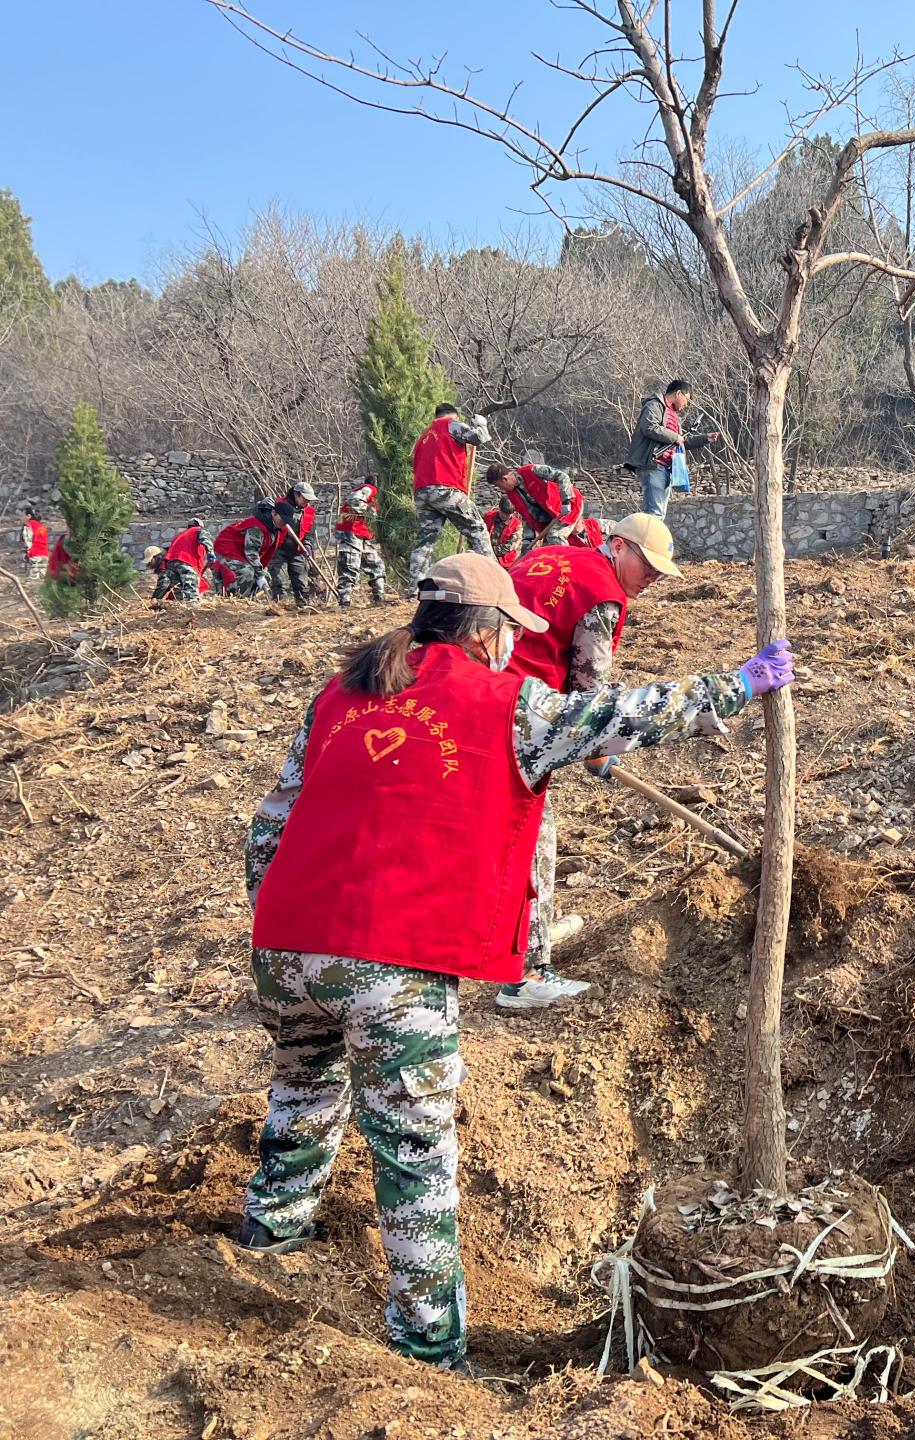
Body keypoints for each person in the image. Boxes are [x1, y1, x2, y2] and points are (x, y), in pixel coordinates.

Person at [239, 552, 795, 1371]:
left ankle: (271, 1231)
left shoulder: (341, 693)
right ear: (488, 633)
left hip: (287, 948)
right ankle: (429, 1352)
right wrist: (737, 685)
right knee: (415, 1158)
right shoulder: (508, 704)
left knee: (303, 1088)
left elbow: (269, 825)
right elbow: (623, 712)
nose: (514, 644)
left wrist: (280, 918)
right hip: (391, 961)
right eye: (511, 632)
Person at [495, 513, 693, 1009]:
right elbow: (592, 697)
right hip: (514, 717)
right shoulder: (602, 593)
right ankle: (525, 975)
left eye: (659, 571)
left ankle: (499, 944)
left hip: (478, 691)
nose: (652, 578)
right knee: (531, 836)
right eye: (647, 565)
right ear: (618, 546)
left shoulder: (551, 554)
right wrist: (597, 749)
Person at [409, 402, 494, 590]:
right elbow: (479, 437)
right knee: (478, 529)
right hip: (446, 488)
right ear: (453, 415)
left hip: (422, 492)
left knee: (425, 541)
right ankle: (494, 580)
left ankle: (415, 587)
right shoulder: (451, 424)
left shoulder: (424, 436)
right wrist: (481, 424)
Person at [620, 379, 720, 517]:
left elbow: (681, 441)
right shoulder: (654, 405)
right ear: (678, 393)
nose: (686, 404)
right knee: (655, 513)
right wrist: (675, 437)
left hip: (665, 468)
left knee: (659, 513)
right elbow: (649, 427)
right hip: (653, 464)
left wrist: (705, 438)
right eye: (687, 400)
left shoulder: (672, 414)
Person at [488, 461, 583, 549]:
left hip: (569, 507)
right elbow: (527, 516)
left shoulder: (531, 471)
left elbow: (562, 476)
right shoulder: (512, 495)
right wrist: (527, 540)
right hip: (551, 519)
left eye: (499, 485)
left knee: (555, 536)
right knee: (546, 549)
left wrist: (566, 500)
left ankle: (564, 561)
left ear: (505, 479)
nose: (501, 489)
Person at [213, 501, 288, 598]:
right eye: (283, 519)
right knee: (247, 572)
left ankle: (250, 597)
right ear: (273, 513)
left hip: (242, 552)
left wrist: (262, 573)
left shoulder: (274, 529)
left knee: (266, 576)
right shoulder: (256, 527)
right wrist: (259, 574)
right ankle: (238, 598)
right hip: (227, 550)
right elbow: (251, 553)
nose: (284, 523)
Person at [334, 479, 387, 607]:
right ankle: (344, 602)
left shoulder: (369, 493)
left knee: (376, 565)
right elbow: (354, 501)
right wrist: (374, 514)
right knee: (350, 566)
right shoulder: (368, 489)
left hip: (362, 534)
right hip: (351, 532)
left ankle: (379, 599)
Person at [268, 482, 319, 605]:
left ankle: (304, 607)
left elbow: (309, 533)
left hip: (297, 550)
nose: (307, 502)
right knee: (280, 583)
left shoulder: (309, 512)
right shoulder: (278, 506)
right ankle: (280, 607)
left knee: (301, 583)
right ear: (296, 494)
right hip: (278, 550)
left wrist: (307, 545)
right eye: (305, 498)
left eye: (309, 499)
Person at [159, 520, 212, 603]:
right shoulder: (199, 530)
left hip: (171, 563)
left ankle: (177, 607)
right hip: (186, 561)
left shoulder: (180, 535)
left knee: (177, 591)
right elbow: (205, 539)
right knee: (191, 593)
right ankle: (193, 607)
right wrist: (211, 552)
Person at [20, 507, 49, 581]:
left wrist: (26, 554)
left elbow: (27, 541)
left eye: (23, 515)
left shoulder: (28, 525)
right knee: (41, 580)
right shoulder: (42, 527)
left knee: (32, 580)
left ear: (28, 516)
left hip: (34, 555)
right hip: (44, 555)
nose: (21, 518)